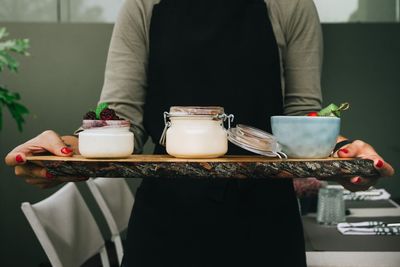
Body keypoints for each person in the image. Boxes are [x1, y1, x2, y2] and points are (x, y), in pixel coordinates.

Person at [5, 0, 395, 266]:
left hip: (266, 227)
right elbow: (122, 116)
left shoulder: (290, 5)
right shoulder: (144, 5)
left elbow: (300, 116)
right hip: (165, 226)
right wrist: (68, 150)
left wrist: (342, 155)